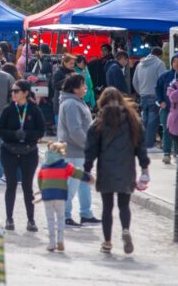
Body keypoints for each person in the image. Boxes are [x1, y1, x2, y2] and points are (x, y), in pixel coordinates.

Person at [84, 87, 150, 254]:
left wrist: (87, 169)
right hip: (127, 168)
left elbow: (91, 148)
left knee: (107, 207)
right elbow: (141, 147)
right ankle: (125, 229)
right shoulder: (133, 120)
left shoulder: (100, 121)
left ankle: (107, 242)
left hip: (106, 168)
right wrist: (145, 168)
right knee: (124, 205)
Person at [0, 79, 45, 232]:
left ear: (25, 93)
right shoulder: (8, 109)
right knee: (10, 185)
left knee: (27, 186)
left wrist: (27, 135)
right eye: (12, 91)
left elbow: (41, 130)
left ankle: (31, 220)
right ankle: (9, 219)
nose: (13, 94)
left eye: (16, 91)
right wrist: (14, 134)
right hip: (9, 151)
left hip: (29, 152)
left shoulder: (34, 109)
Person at [56, 73, 100, 227]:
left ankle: (86, 214)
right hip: (73, 151)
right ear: (75, 89)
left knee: (83, 184)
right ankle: (65, 216)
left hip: (79, 151)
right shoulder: (71, 104)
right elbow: (75, 130)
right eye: (83, 85)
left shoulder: (76, 102)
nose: (85, 87)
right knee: (71, 185)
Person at [38, 141, 93, 252]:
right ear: (62, 153)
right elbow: (77, 173)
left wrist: (42, 191)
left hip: (47, 196)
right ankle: (60, 240)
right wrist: (88, 178)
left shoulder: (44, 166)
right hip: (60, 195)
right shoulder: (65, 165)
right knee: (61, 218)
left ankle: (51, 243)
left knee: (50, 219)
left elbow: (40, 180)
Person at [133, 47, 167, 150]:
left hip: (143, 96)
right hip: (154, 96)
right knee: (153, 120)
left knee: (145, 120)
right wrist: (162, 96)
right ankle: (149, 145)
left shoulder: (140, 64)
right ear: (160, 55)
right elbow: (162, 81)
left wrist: (141, 92)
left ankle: (143, 143)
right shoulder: (160, 63)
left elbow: (134, 81)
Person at [155, 53, 178, 164]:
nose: (176, 64)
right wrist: (160, 101)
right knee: (167, 130)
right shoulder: (165, 75)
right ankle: (166, 153)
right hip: (166, 108)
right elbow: (157, 88)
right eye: (174, 61)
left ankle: (177, 152)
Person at [51, 53, 76, 126]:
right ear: (65, 62)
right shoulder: (58, 72)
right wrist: (68, 79)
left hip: (71, 103)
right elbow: (55, 86)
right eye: (71, 63)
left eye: (73, 63)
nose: (72, 65)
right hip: (60, 102)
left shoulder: (73, 72)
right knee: (60, 127)